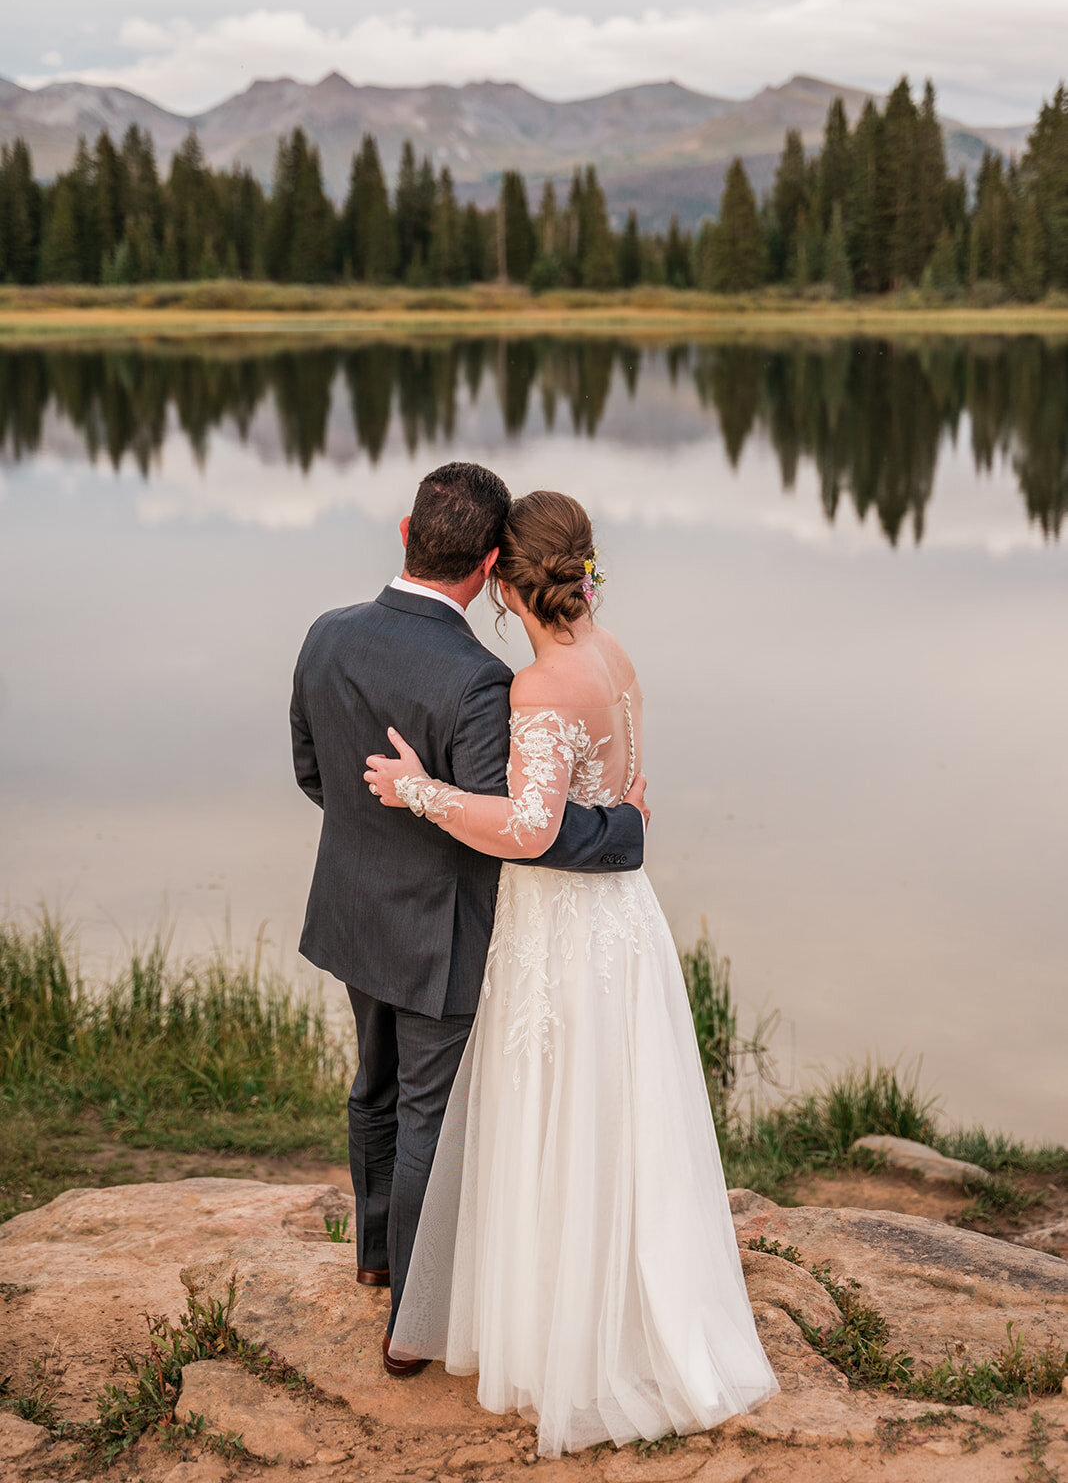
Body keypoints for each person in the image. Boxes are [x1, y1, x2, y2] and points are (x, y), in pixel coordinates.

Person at [366, 488, 779, 1456]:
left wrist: (417, 791)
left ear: (504, 583)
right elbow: (626, 792)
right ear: (583, 569)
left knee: (556, 1112)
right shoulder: (616, 657)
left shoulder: (537, 689)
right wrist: (628, 820)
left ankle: (565, 1336)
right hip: (621, 921)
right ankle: (624, 1305)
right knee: (613, 1115)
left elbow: (529, 829)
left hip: (559, 927)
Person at [290, 462, 648, 1378]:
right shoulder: (482, 681)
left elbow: (314, 775)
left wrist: (386, 818)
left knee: (371, 1084)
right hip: (442, 931)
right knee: (425, 1117)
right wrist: (622, 829)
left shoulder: (326, 635)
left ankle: (375, 1254)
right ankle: (414, 1317)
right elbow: (519, 832)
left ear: (405, 530)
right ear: (490, 564)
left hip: (352, 911)